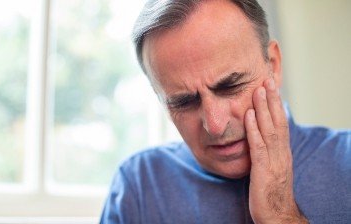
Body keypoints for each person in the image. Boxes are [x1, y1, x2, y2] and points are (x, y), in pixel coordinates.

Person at [100, 0, 351, 223]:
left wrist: (280, 215)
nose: (216, 125)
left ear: (273, 66)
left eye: (231, 86)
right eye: (183, 101)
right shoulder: (139, 186)